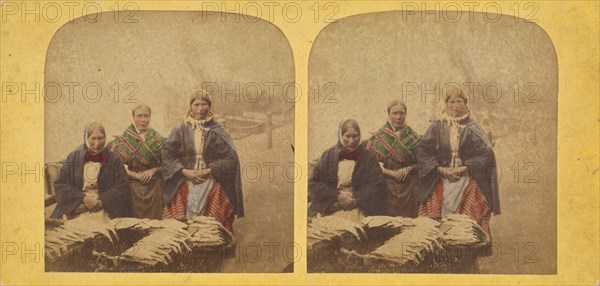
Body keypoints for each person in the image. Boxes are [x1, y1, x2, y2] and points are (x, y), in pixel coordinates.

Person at [417, 86, 500, 238]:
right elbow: (422, 151)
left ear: (465, 103)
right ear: (446, 104)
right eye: (452, 101)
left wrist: (463, 169)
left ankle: (465, 253)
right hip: (441, 176)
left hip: (466, 177)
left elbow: (486, 154)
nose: (456, 105)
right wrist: (441, 169)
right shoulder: (437, 126)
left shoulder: (472, 127)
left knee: (467, 224)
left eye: (460, 101)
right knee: (435, 224)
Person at [162, 89, 243, 232]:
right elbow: (168, 155)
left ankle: (211, 248)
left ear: (209, 106)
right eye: (196, 104)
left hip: (211, 178)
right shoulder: (181, 128)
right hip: (184, 179)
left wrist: (208, 170)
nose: (200, 109)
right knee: (179, 225)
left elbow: (230, 159)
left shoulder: (216, 130)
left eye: (204, 104)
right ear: (190, 107)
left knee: (212, 225)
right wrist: (185, 171)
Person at [308, 119, 388, 220]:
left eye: (355, 136)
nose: (351, 141)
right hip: (331, 206)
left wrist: (355, 199)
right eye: (347, 136)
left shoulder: (369, 157)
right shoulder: (328, 155)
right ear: (341, 135)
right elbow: (313, 183)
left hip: (359, 207)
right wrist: (337, 197)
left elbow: (377, 185)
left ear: (360, 135)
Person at [51, 122, 130, 221]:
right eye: (93, 138)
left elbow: (122, 186)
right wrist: (83, 199)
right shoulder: (73, 156)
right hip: (76, 206)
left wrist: (101, 201)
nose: (97, 143)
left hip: (105, 207)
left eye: (100, 138)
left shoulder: (114, 159)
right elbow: (60, 184)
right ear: (86, 138)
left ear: (105, 137)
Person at [366, 100, 421, 218]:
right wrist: (392, 174)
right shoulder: (378, 138)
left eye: (402, 113)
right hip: (387, 185)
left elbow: (422, 162)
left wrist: (408, 169)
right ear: (388, 114)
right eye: (394, 113)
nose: (398, 117)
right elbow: (371, 166)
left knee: (410, 223)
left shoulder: (414, 137)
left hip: (410, 185)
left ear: (406, 114)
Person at [111, 104, 165, 219]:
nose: (143, 120)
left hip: (154, 186)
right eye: (139, 116)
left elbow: (168, 163)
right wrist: (136, 176)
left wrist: (153, 170)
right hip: (132, 186)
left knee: (155, 223)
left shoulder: (158, 139)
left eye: (146, 116)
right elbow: (116, 166)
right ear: (133, 117)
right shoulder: (123, 140)